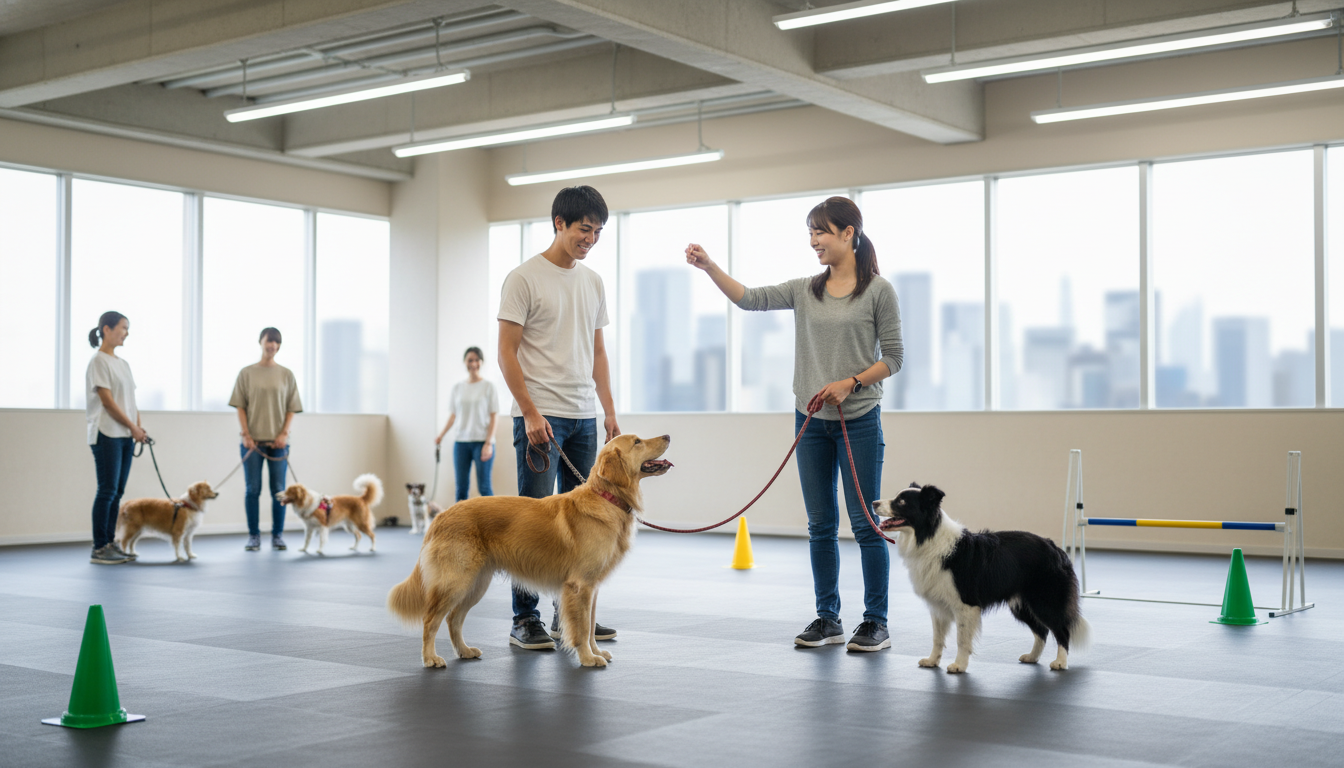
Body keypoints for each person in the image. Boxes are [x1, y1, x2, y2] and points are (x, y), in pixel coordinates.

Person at [686, 196, 903, 652]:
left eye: (821, 232)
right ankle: (828, 618)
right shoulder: (808, 289)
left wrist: (851, 382)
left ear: (849, 233)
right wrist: (710, 267)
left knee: (865, 524)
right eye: (810, 233)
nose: (814, 241)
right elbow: (751, 299)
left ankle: (875, 621)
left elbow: (895, 359)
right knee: (820, 525)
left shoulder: (879, 291)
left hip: (859, 421)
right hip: (810, 422)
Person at [498, 185, 621, 651]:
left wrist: (609, 411)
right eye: (583, 229)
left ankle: (569, 615)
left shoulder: (592, 282)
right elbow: (506, 353)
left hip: (584, 417)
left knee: (587, 524)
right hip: (540, 417)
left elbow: (598, 352)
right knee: (531, 524)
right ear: (559, 224)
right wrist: (529, 411)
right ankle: (523, 618)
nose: (589, 239)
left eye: (597, 232)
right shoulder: (524, 278)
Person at [229, 327, 302, 552]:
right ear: (260, 342)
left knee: (279, 490)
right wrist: (246, 434)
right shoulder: (246, 373)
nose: (272, 345)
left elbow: (292, 408)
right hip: (252, 444)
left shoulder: (287, 374)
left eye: (276, 342)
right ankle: (254, 536)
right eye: (268, 341)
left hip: (279, 444)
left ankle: (278, 535)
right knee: (252, 489)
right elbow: (240, 406)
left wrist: (283, 434)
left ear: (279, 346)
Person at [86, 311, 148, 565]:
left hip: (124, 435)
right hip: (106, 433)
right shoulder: (98, 361)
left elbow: (130, 401)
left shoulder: (123, 364)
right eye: (123, 327)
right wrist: (132, 427)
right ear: (106, 328)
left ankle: (110, 543)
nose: (126, 333)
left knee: (117, 491)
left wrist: (138, 428)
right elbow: (108, 402)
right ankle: (99, 547)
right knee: (107, 490)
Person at [435, 346, 500, 502]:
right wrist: (441, 436)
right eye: (470, 360)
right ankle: (460, 525)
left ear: (481, 362)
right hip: (461, 443)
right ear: (465, 362)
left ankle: (493, 526)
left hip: (482, 442)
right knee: (461, 488)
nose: (473, 363)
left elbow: (494, 416)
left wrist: (488, 442)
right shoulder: (458, 388)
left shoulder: (488, 386)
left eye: (477, 360)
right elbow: (453, 415)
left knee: (484, 487)